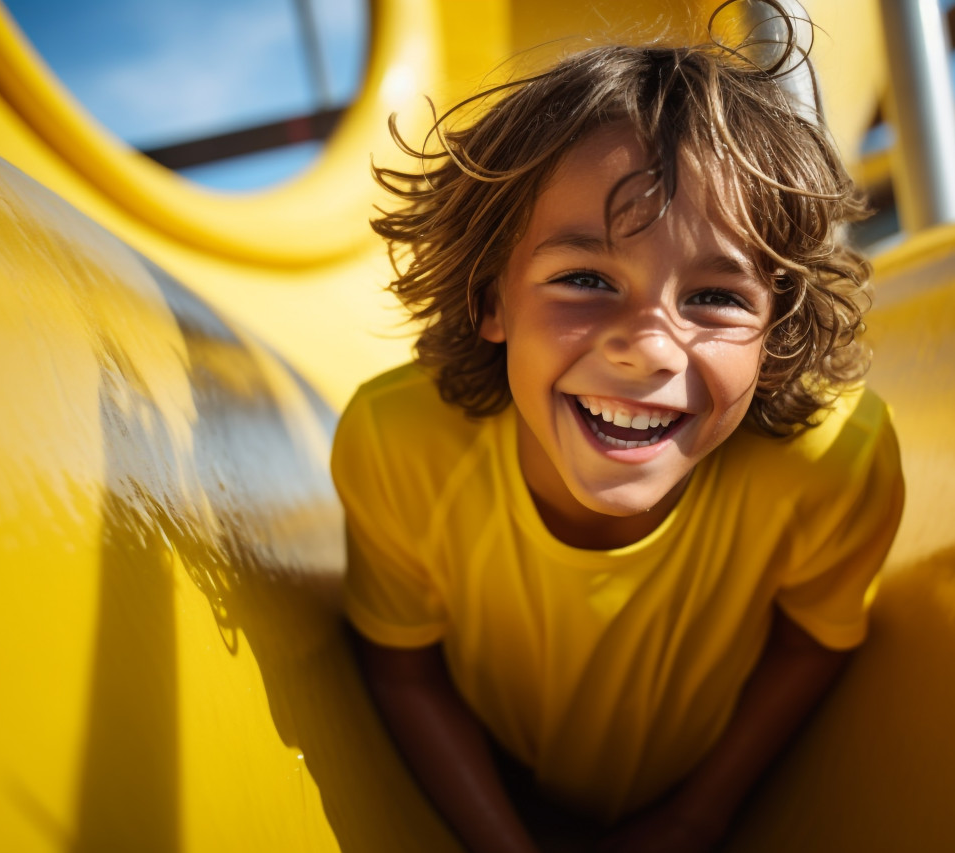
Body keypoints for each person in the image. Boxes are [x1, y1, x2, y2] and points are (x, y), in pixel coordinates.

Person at [331, 3, 904, 850]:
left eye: (714, 297)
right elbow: (403, 670)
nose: (646, 348)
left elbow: (812, 640)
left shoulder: (832, 463)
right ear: (491, 298)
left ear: (775, 329)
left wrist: (696, 814)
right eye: (586, 279)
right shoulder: (399, 444)